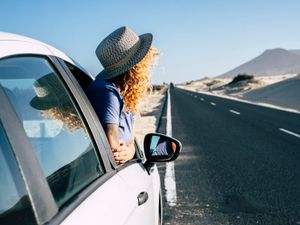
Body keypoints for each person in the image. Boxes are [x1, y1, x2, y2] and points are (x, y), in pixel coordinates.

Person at [85, 26, 158, 165]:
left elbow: (129, 139)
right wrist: (128, 152)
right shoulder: (107, 92)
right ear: (137, 66)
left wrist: (130, 151)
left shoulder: (122, 93)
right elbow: (115, 151)